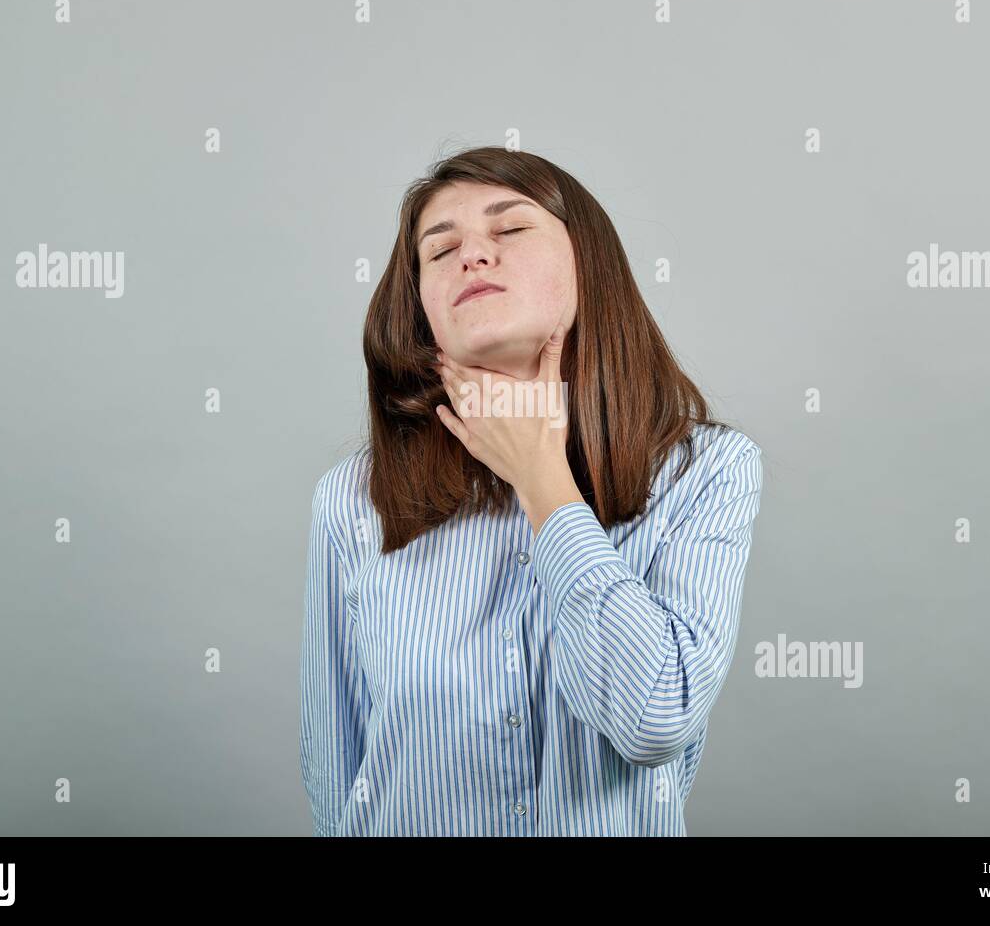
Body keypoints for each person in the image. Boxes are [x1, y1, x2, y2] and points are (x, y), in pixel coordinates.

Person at [300, 146, 764, 835]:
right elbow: (336, 769)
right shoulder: (352, 500)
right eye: (440, 249)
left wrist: (543, 478)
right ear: (422, 307)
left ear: (590, 265)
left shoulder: (707, 471)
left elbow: (654, 719)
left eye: (510, 230)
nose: (473, 257)